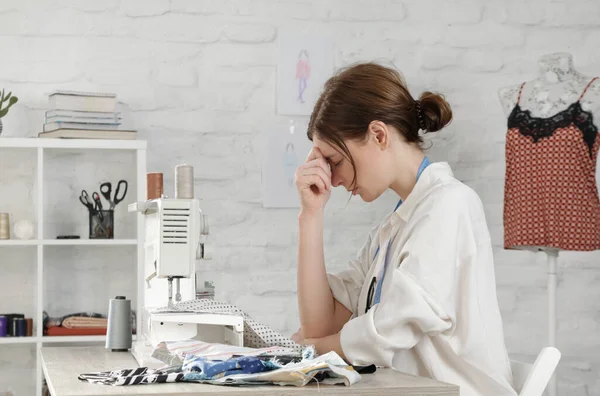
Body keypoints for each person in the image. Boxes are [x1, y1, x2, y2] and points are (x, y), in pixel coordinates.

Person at [292, 62, 516, 396]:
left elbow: (392, 329)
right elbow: (321, 325)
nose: (333, 179)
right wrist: (310, 215)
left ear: (379, 135)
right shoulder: (390, 230)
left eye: (335, 161)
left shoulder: (449, 205)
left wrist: (316, 347)